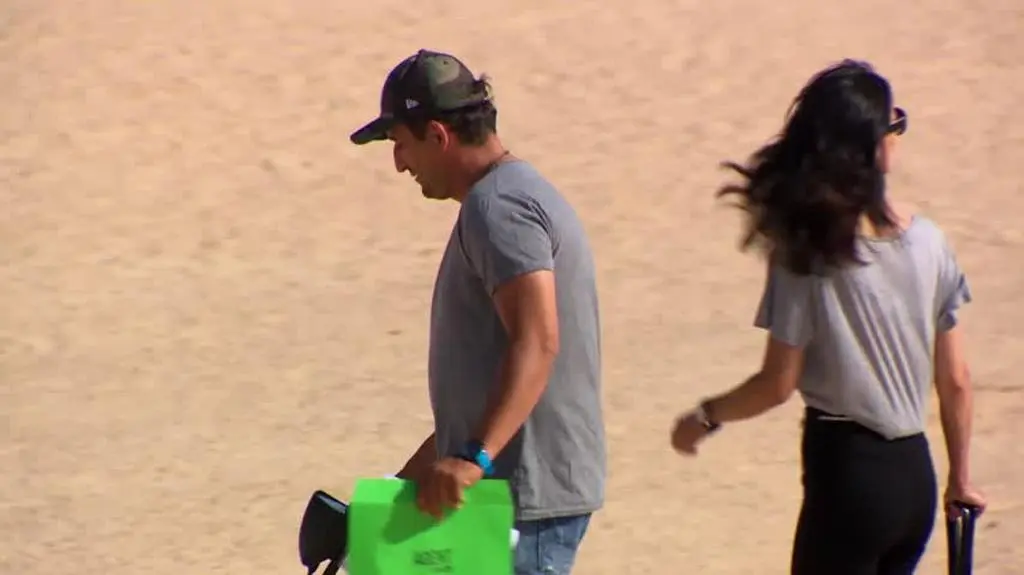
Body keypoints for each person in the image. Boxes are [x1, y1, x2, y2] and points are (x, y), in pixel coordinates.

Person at [669, 59, 987, 574]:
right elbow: (955, 380)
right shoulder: (931, 242)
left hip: (849, 476)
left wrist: (706, 417)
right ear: (875, 149)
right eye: (895, 123)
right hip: (915, 480)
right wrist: (961, 479)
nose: (898, 135)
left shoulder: (809, 253)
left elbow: (776, 384)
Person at [349, 49, 606, 575]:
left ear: (437, 136)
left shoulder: (499, 208)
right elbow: (490, 374)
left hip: (518, 505)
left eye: (400, 143)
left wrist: (473, 458)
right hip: (509, 496)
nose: (399, 163)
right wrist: (405, 483)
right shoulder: (509, 197)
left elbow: (538, 341)